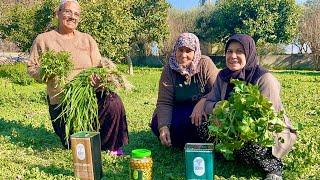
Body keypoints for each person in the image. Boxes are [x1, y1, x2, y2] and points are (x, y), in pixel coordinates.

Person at [27, 0, 128, 155]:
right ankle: (84, 139)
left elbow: (98, 67)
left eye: (76, 14)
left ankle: (111, 146)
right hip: (63, 105)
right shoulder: (44, 39)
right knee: (73, 143)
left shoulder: (87, 39)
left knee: (113, 102)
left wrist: (99, 78)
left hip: (89, 97)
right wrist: (46, 73)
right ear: (58, 13)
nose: (72, 17)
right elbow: (32, 68)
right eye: (68, 12)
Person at [203, 34, 297, 179]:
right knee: (202, 126)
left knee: (251, 143)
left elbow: (267, 120)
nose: (233, 56)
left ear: (249, 53)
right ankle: (234, 154)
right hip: (231, 128)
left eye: (239, 51)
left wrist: (237, 122)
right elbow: (208, 104)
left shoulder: (264, 79)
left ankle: (273, 168)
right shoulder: (223, 76)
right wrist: (217, 107)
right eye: (229, 51)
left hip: (265, 132)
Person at [150, 32, 219, 149]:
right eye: (180, 50)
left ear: (195, 51)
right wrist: (163, 126)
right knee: (158, 123)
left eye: (188, 51)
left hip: (201, 111)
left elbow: (218, 90)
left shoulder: (205, 63)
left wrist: (202, 101)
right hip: (178, 109)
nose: (183, 55)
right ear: (175, 50)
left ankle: (190, 139)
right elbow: (164, 102)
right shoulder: (169, 69)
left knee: (201, 124)